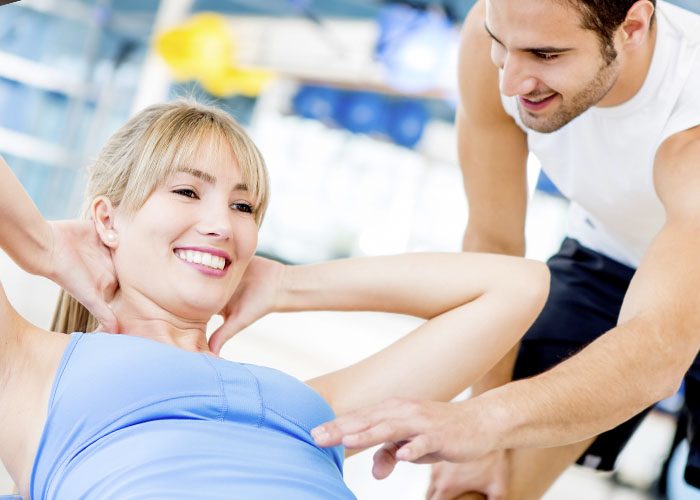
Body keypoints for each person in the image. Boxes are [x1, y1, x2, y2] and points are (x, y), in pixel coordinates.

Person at [0, 100, 549, 499]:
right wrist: (41, 246)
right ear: (106, 219)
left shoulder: (315, 411)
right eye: (188, 191)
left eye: (244, 208)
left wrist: (287, 285)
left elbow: (519, 286)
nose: (220, 224)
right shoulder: (28, 366)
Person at [310, 0, 700, 498]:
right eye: (503, 46)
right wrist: (482, 428)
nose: (511, 83)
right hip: (609, 256)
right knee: (482, 480)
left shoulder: (690, 120)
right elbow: (494, 247)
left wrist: (482, 419)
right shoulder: (489, 32)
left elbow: (658, 350)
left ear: (632, 27)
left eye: (545, 54)